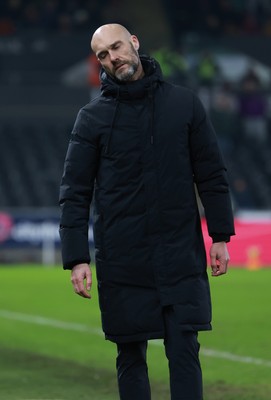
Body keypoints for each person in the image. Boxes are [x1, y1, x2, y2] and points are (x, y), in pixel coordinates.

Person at [59, 23, 235, 400]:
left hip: (179, 254)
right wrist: (76, 258)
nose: (113, 57)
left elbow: (211, 172)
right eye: (103, 55)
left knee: (185, 350)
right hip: (123, 259)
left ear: (134, 43)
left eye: (117, 47)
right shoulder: (91, 119)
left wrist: (220, 235)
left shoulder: (183, 104)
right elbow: (74, 193)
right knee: (130, 355)